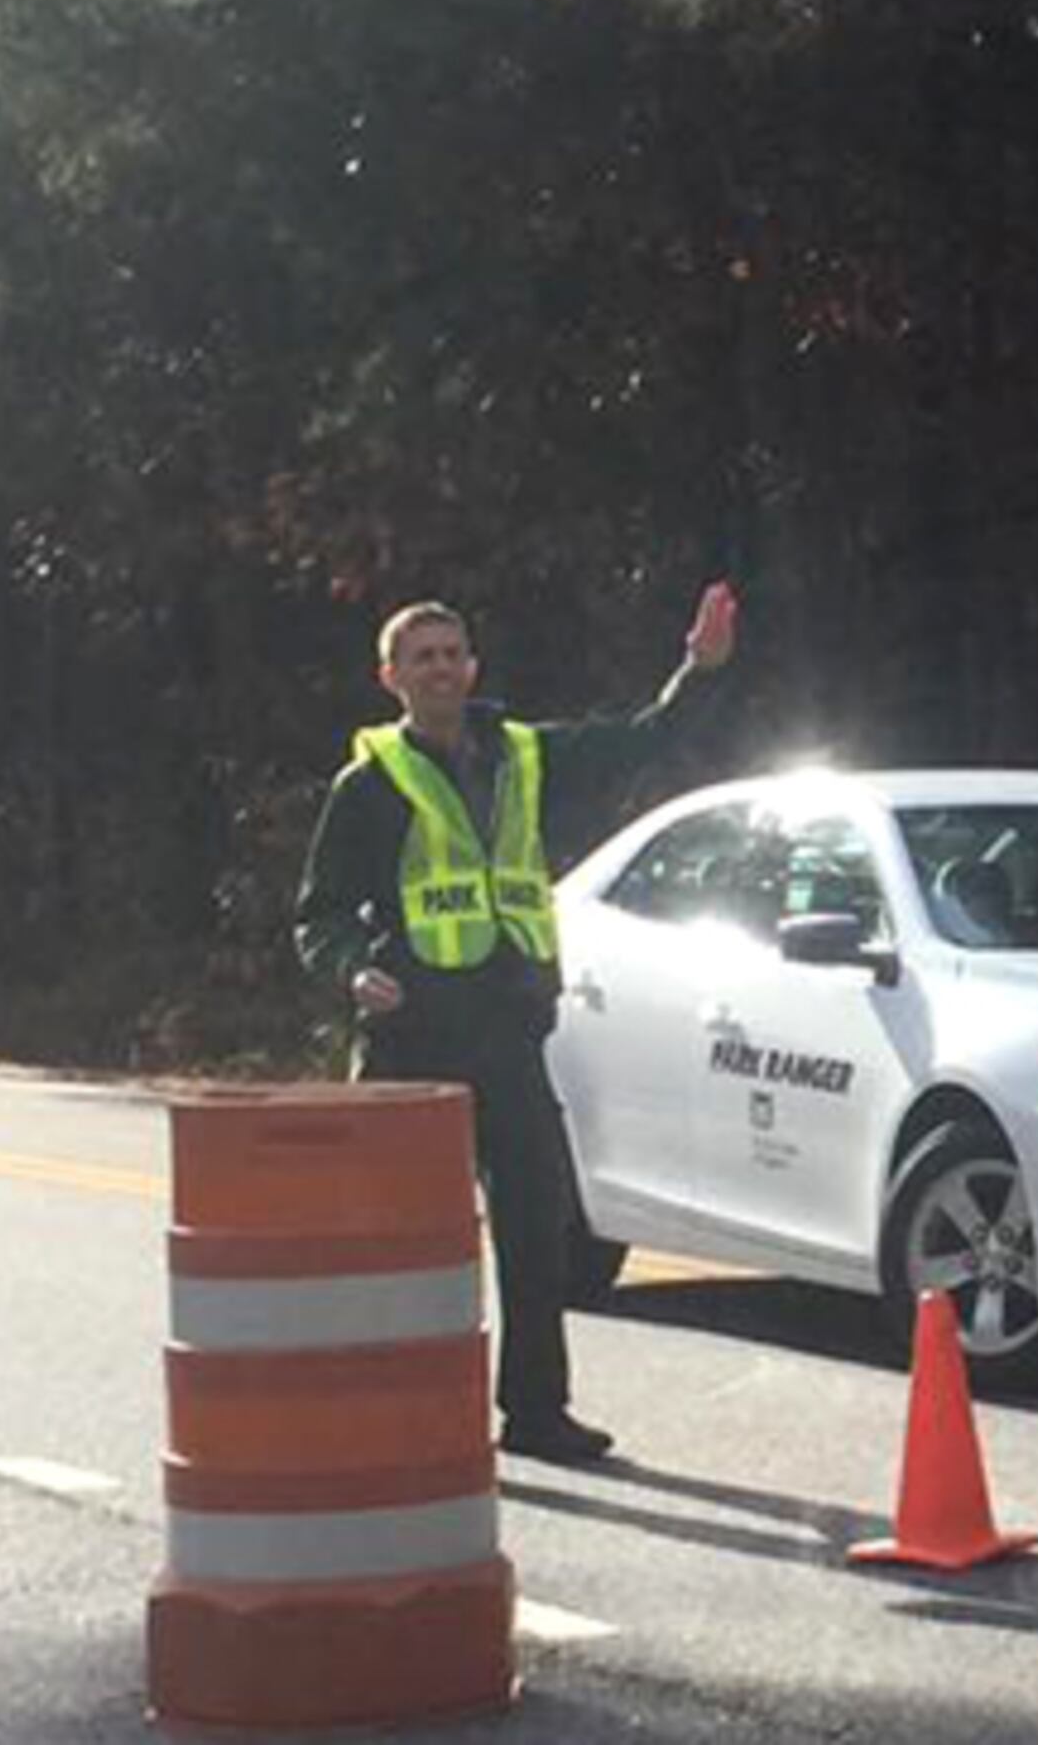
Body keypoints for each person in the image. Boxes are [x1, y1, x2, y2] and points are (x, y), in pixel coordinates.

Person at [292, 581, 739, 1464]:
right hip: (411, 1043)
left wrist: (701, 671)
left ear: (473, 667)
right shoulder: (369, 783)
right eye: (421, 658)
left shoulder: (524, 756)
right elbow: (320, 912)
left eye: (451, 654)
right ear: (390, 677)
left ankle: (536, 1412)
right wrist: (352, 969)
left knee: (538, 1232)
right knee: (399, 1242)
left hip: (509, 1033)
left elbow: (643, 739)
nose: (440, 670)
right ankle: (394, 1413)